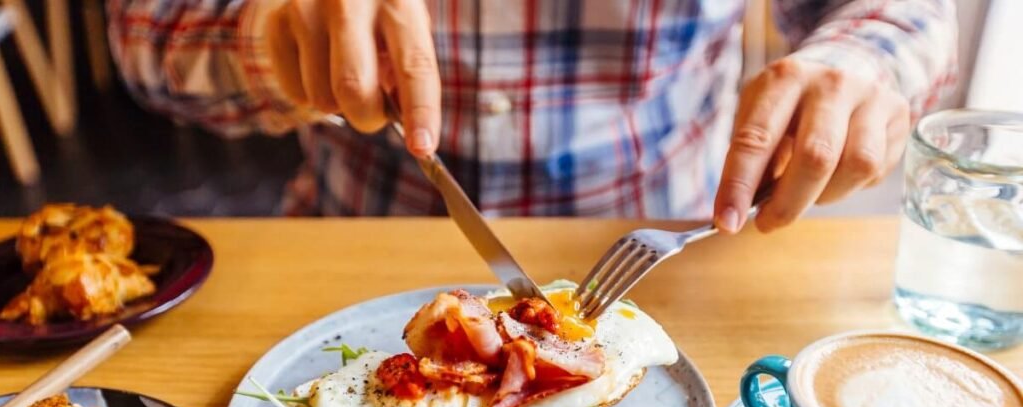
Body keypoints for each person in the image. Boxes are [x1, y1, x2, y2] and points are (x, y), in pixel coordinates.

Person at [107, 1, 956, 232]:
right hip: (350, 250)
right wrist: (267, 32)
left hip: (668, 267)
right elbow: (143, 32)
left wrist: (863, 61)